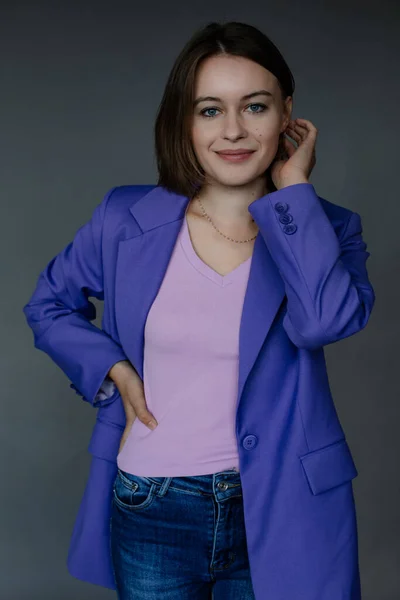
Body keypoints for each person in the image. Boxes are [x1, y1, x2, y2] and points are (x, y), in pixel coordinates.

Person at [23, 20, 375, 600]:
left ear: (287, 112)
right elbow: (49, 304)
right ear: (182, 120)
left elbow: (323, 323)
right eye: (210, 110)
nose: (233, 130)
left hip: (284, 505)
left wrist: (292, 193)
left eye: (255, 107)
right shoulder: (124, 218)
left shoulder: (325, 226)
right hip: (153, 505)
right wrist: (113, 369)